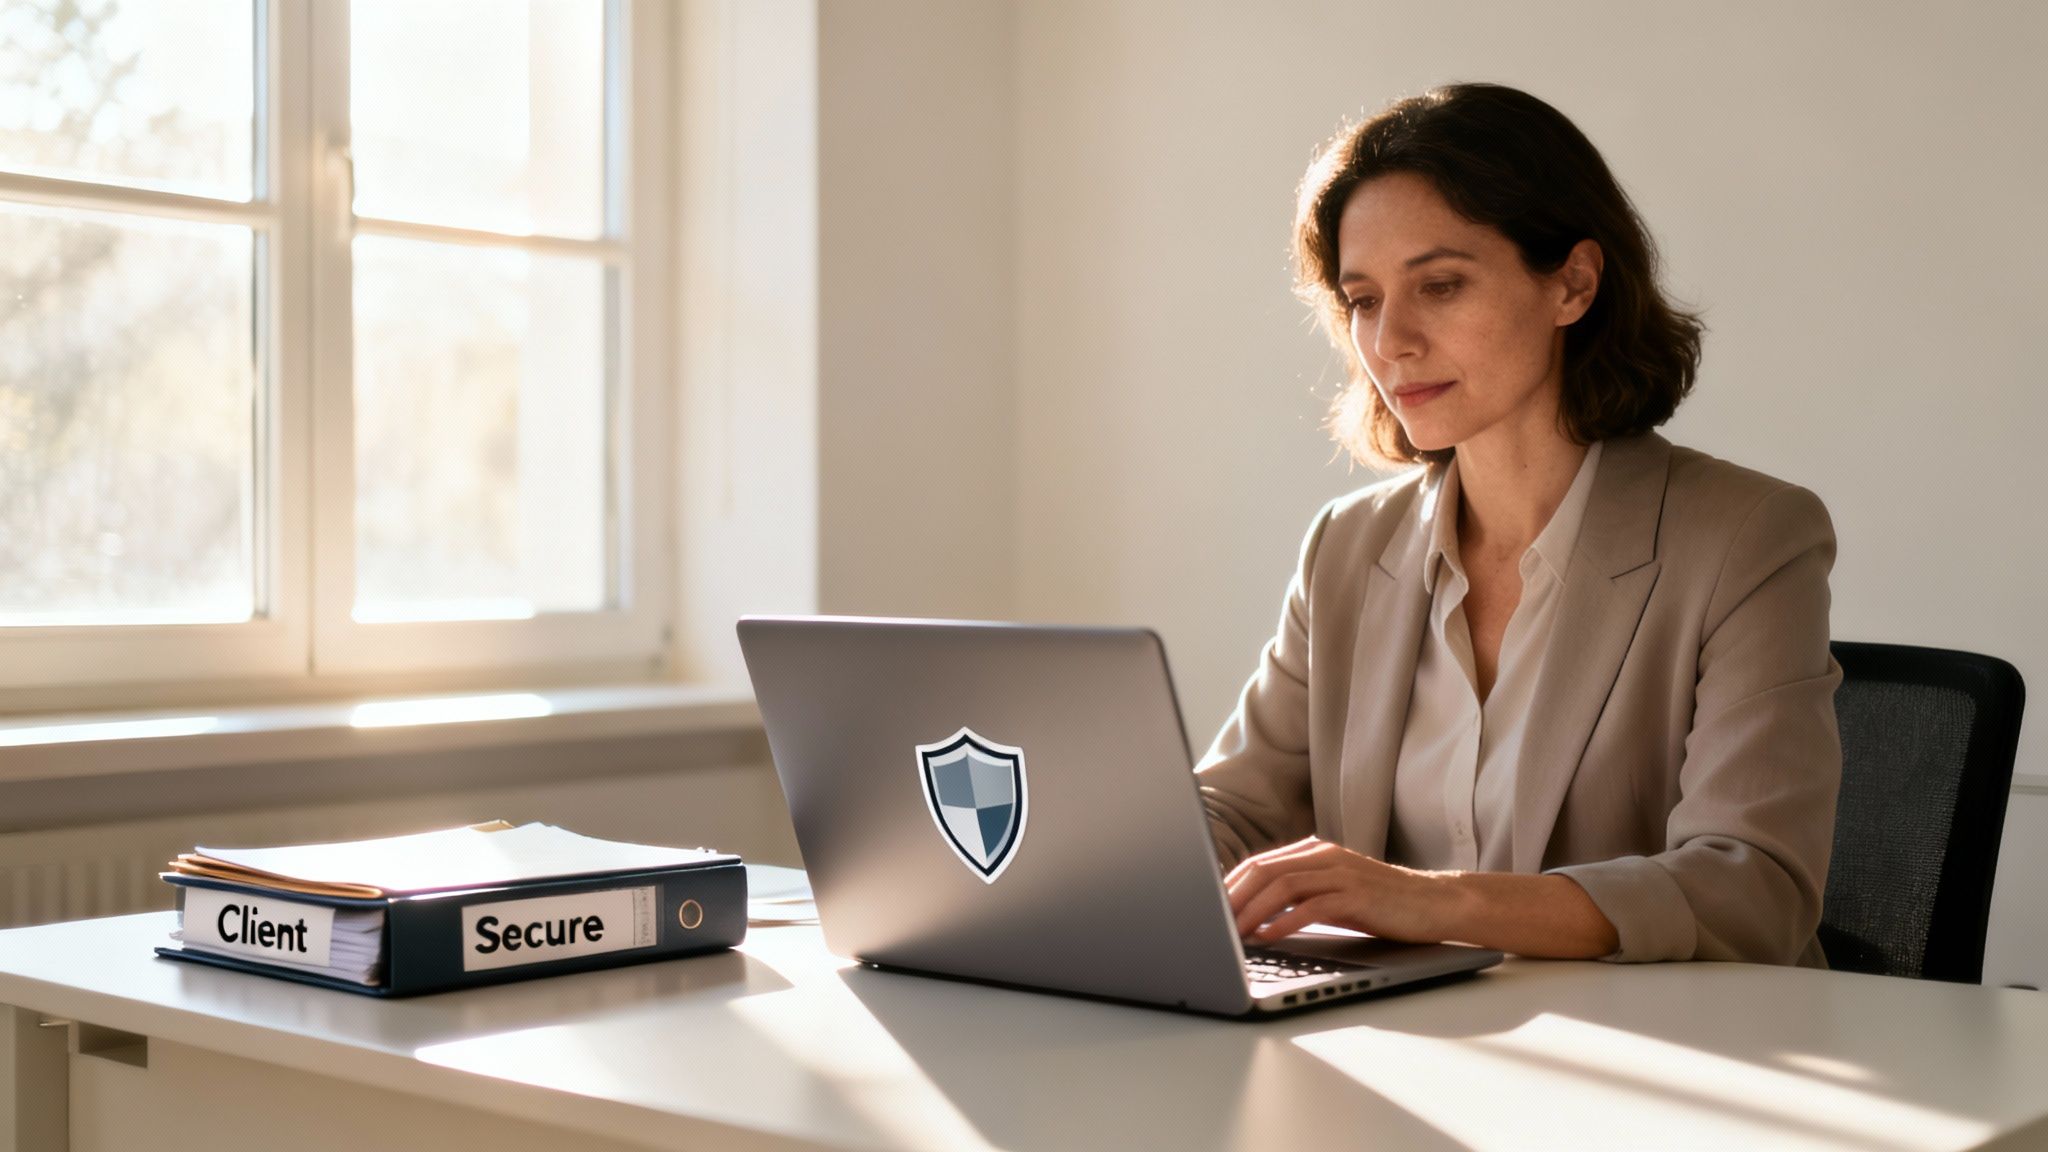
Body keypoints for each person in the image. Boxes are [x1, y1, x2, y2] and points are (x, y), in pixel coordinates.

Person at [1199, 83, 1841, 966]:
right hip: (1412, 1045)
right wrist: (1100, 861)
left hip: (1677, 1060)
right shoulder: (1347, 549)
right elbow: (1235, 809)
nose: (1390, 343)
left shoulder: (1750, 536)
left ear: (1572, 283)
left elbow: (1752, 885)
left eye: (1441, 285)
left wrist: (1428, 903)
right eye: (1364, 300)